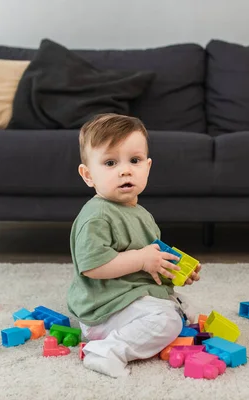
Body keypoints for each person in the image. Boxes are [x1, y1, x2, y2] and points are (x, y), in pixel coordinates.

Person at [67, 113, 202, 377]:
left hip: (127, 293)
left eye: (135, 160)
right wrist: (141, 259)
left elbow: (149, 259)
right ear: (88, 175)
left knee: (182, 306)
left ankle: (156, 319)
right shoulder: (97, 216)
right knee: (168, 320)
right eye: (110, 162)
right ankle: (107, 350)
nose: (125, 169)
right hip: (104, 309)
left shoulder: (140, 213)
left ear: (147, 167)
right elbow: (93, 267)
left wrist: (173, 269)